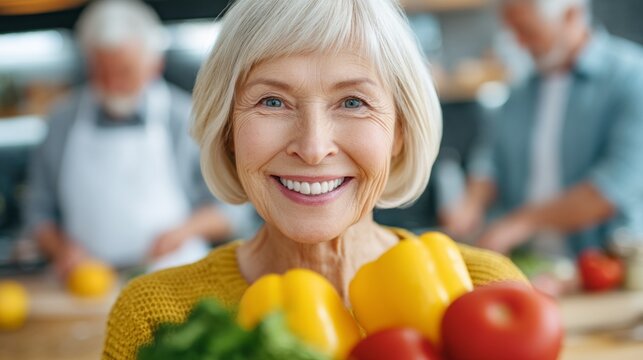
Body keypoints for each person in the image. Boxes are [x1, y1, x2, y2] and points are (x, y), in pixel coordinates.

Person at [102, 0, 527, 358]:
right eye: (272, 101)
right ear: (228, 130)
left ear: (399, 130)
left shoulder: (485, 290)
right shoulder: (155, 317)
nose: (312, 146)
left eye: (353, 102)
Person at [23, 0, 242, 276]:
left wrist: (184, 231)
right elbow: (38, 213)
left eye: (124, 72)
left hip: (171, 276)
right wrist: (61, 249)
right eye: (101, 72)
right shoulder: (61, 122)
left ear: (154, 64)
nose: (113, 84)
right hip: (85, 283)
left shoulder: (186, 119)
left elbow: (230, 211)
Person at [441, 0, 643, 256]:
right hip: (529, 263)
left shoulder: (633, 77)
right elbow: (491, 158)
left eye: (527, 31)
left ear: (571, 16)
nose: (519, 44)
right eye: (513, 31)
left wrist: (522, 223)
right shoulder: (520, 89)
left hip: (604, 266)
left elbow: (614, 186)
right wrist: (471, 203)